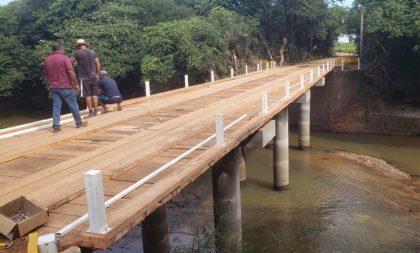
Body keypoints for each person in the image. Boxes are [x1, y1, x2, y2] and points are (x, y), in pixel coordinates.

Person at [43, 43, 87, 132]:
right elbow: (71, 72)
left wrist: (51, 82)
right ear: (60, 49)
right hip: (66, 86)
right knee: (73, 105)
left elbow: (46, 73)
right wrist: (76, 84)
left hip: (54, 87)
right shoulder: (64, 58)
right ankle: (79, 123)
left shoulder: (47, 60)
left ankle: (56, 126)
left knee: (56, 106)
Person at [71, 39, 101, 117]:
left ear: (78, 46)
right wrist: (97, 74)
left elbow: (70, 62)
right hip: (94, 76)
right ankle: (96, 111)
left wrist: (73, 68)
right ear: (85, 44)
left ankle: (90, 112)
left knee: (87, 95)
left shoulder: (77, 53)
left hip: (84, 78)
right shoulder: (92, 52)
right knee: (94, 94)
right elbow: (97, 63)